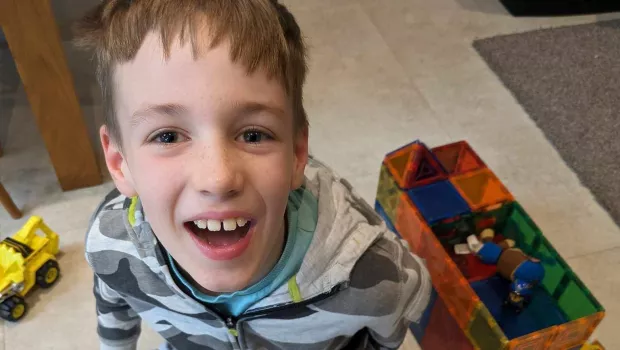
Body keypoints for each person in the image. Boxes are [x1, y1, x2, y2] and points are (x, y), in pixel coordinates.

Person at [75, 1, 432, 349]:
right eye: (167, 136)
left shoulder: (369, 273)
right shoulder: (111, 246)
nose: (218, 179)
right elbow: (113, 300)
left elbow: (398, 314)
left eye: (253, 135)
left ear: (296, 153)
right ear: (119, 161)